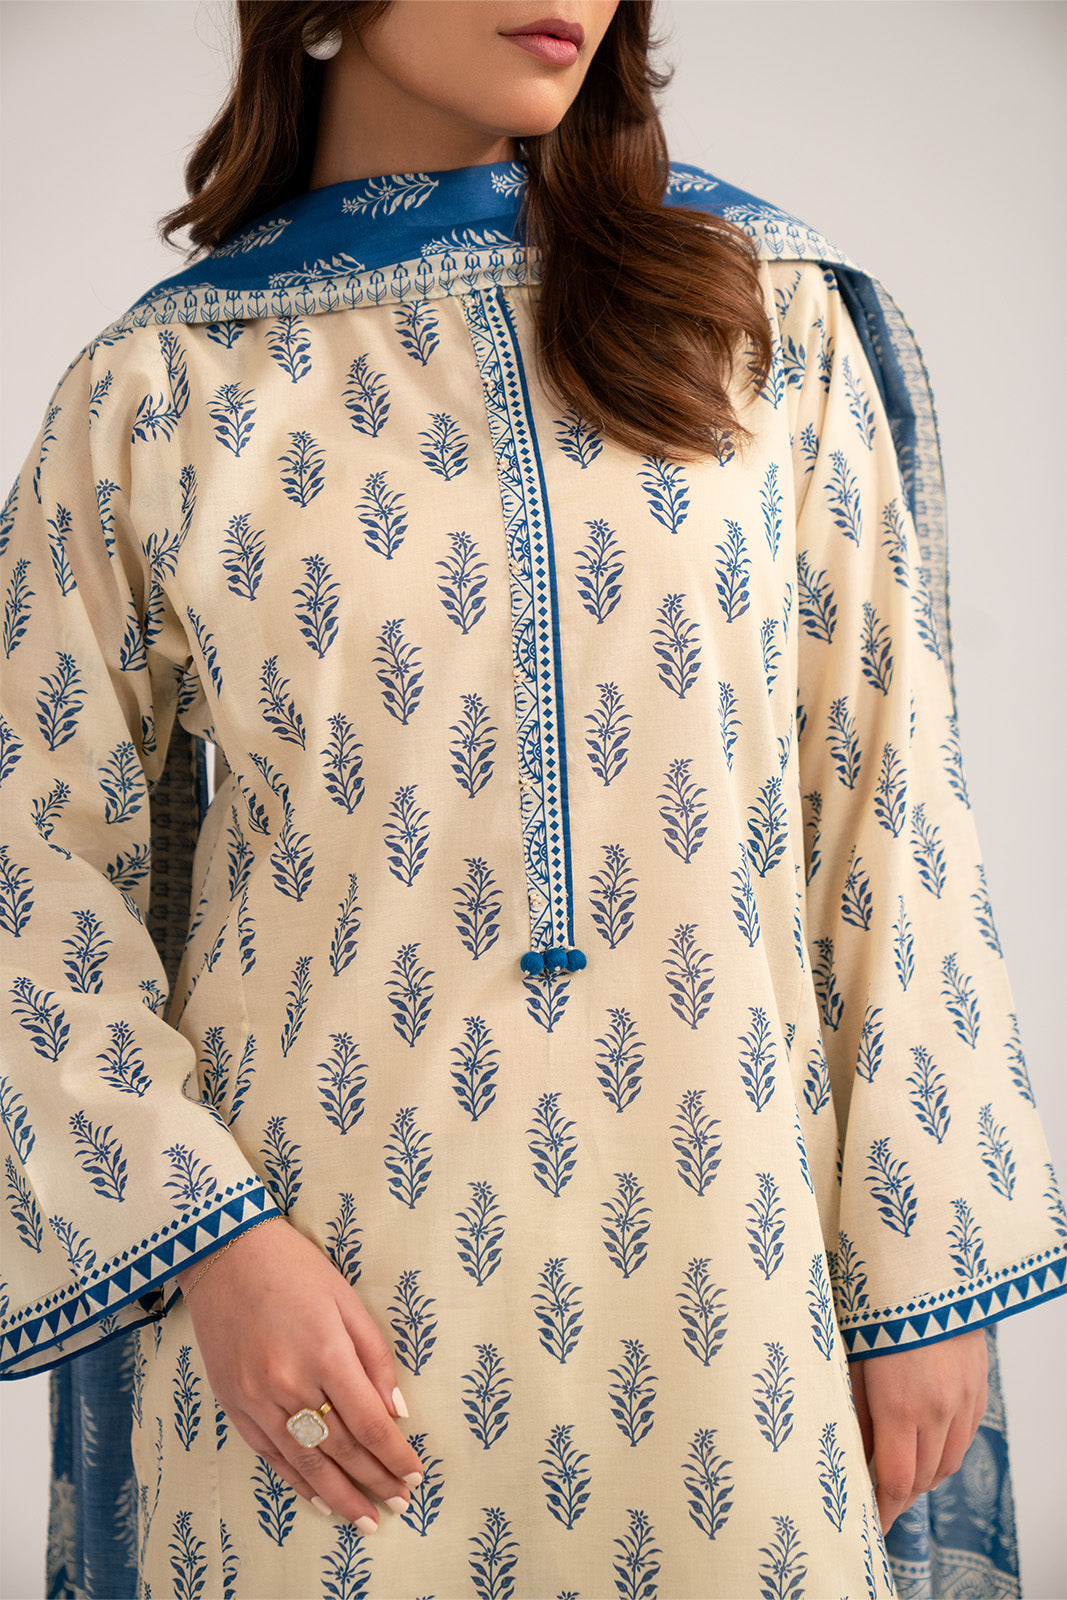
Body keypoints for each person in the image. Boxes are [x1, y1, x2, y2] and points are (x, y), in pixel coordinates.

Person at [2, 3, 1064, 1596]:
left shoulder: (758, 311)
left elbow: (885, 798)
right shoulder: (161, 387)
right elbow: (27, 869)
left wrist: (926, 1271)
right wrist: (211, 1242)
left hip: (735, 1309)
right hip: (319, 1355)